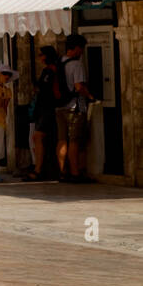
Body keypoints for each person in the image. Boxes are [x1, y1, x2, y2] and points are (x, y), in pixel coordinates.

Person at [56, 34, 94, 183]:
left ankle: (62, 172)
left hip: (59, 107)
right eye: (81, 48)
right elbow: (79, 87)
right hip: (74, 107)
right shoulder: (76, 64)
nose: (82, 52)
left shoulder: (59, 61)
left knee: (61, 140)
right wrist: (90, 95)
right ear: (77, 48)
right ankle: (75, 173)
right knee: (74, 140)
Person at [27, 46, 61, 181]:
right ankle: (43, 168)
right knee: (42, 139)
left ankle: (38, 169)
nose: (40, 58)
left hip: (48, 109)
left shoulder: (52, 70)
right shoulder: (47, 70)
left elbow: (50, 89)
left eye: (42, 55)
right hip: (43, 109)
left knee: (38, 137)